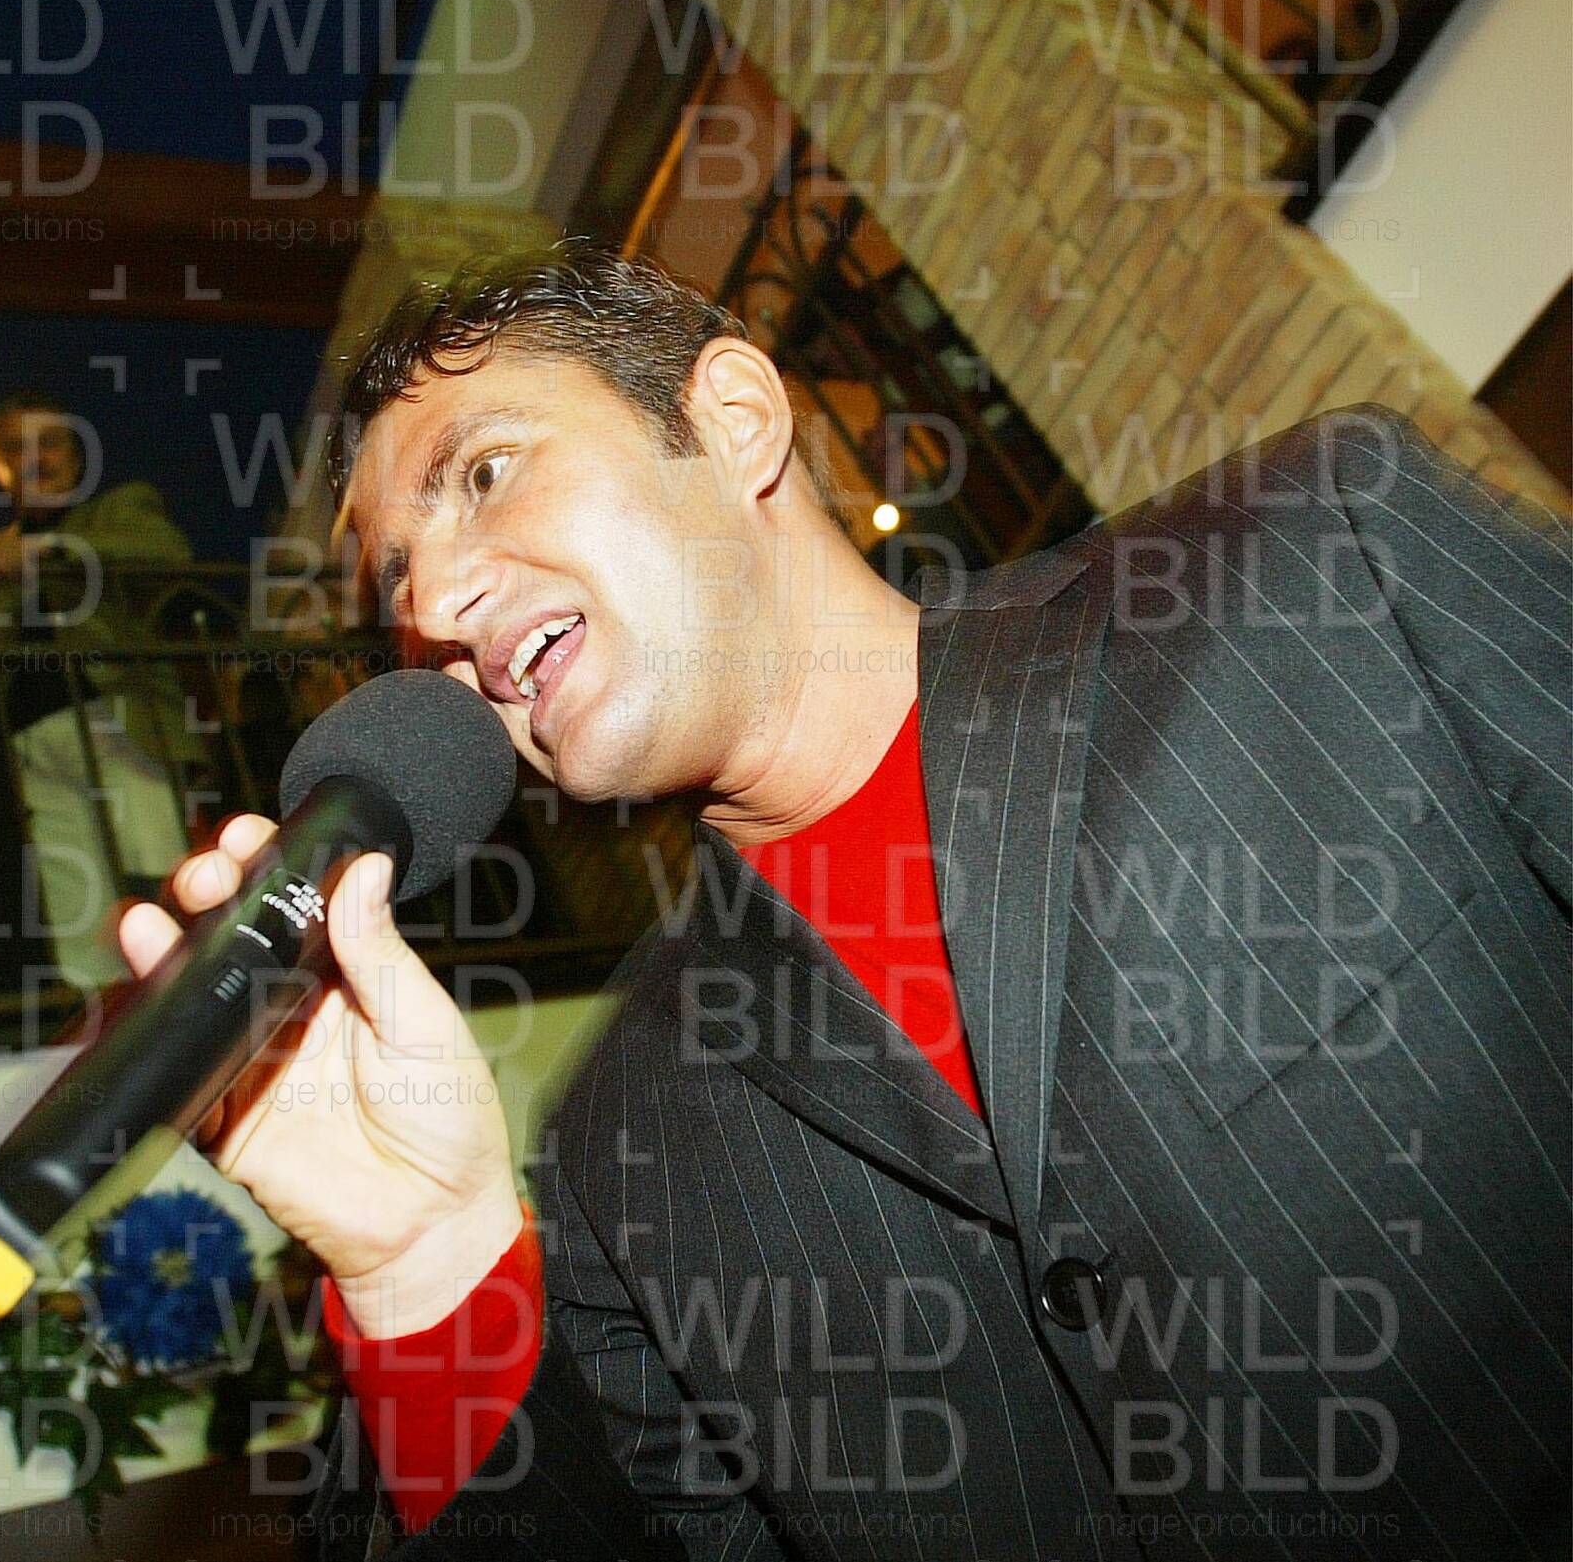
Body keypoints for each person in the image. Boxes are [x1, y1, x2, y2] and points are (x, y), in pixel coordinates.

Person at [117, 249, 1571, 1558]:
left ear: (736, 419)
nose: (432, 602)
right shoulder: (623, 1154)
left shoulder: (1321, 565)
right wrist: (427, 1276)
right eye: (397, 586)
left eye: (485, 472)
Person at [0, 391, 205, 990]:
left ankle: (196, 1012)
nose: (35, 459)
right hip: (30, 742)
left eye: (50, 443)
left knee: (161, 882)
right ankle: (101, 1025)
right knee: (76, 911)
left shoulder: (118, 510)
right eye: (16, 448)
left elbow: (167, 552)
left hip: (118, 719)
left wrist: (49, 548)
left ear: (75, 457)